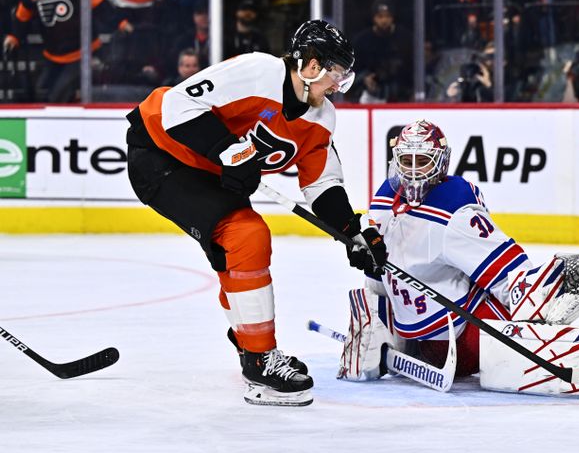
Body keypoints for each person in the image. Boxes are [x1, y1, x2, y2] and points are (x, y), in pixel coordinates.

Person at [336, 119, 579, 403]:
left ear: (439, 160)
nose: (414, 170)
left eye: (422, 160)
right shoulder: (454, 205)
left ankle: (374, 336)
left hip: (421, 343)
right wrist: (545, 293)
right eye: (407, 160)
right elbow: (510, 278)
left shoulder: (383, 197)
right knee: (545, 295)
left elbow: (379, 276)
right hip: (465, 342)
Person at [124, 20, 388, 406]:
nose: (337, 86)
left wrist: (352, 231)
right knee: (246, 235)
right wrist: (229, 151)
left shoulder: (320, 117)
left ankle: (250, 341)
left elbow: (321, 184)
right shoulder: (259, 72)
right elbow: (176, 106)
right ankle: (260, 359)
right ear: (311, 66)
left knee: (233, 251)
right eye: (336, 75)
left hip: (211, 175)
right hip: (162, 155)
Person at [2, 0, 131, 102]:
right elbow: (22, 18)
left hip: (82, 52)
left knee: (58, 94)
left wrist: (120, 22)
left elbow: (99, 3)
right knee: (41, 91)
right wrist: (14, 37)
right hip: (53, 55)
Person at [350, 0, 413, 103]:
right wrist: (364, 78)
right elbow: (351, 70)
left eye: (387, 16)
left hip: (400, 96)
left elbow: (412, 69)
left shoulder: (405, 38)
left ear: (393, 17)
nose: (384, 20)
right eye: (380, 16)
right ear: (374, 18)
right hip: (368, 95)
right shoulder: (361, 41)